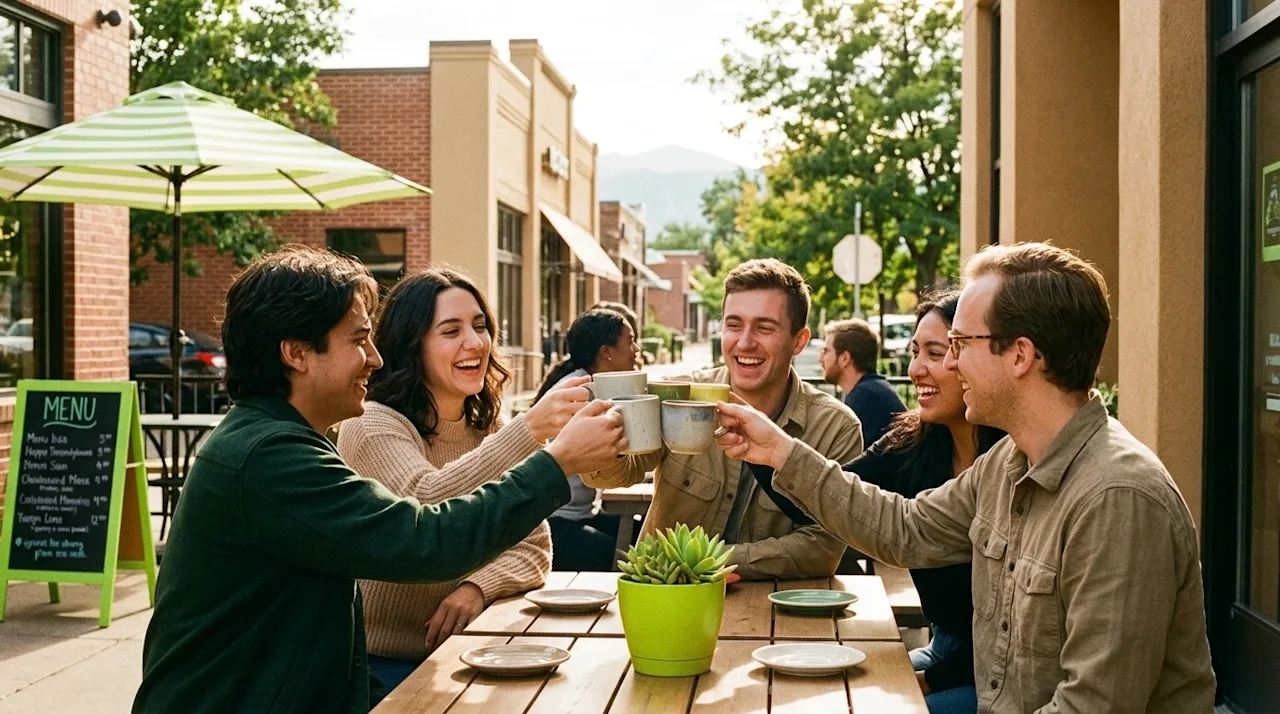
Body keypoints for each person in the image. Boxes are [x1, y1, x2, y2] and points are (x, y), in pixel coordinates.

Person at [714, 242, 1216, 713]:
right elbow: (905, 529)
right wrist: (778, 450)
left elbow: (1094, 705)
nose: (946, 363)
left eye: (959, 343)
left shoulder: (1117, 498)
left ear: (1020, 355)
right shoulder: (1010, 462)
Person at [133, 246, 627, 714]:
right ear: (297, 353)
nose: (376, 357)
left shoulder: (284, 441)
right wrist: (555, 459)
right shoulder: (270, 457)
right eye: (358, 340)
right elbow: (424, 539)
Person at [334, 268, 592, 694]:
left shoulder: (490, 426)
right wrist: (530, 430)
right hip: (380, 666)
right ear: (411, 345)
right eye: (450, 331)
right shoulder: (372, 425)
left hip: (472, 648)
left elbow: (534, 546)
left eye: (480, 326)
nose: (475, 343)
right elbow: (426, 508)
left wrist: (476, 588)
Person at [583, 258, 864, 580]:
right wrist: (602, 439)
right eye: (733, 325)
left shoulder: (835, 427)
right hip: (667, 600)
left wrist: (705, 563)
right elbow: (611, 477)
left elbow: (822, 548)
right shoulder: (680, 394)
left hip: (777, 611)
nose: (744, 342)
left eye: (764, 327)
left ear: (799, 340)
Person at [846, 291, 1004, 713]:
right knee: (838, 693)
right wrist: (760, 445)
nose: (915, 369)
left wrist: (928, 681)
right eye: (916, 352)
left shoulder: (1012, 462)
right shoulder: (915, 442)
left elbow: (1023, 641)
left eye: (937, 352)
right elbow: (838, 496)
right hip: (943, 647)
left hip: (994, 672)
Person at [535, 308, 641, 571]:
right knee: (630, 562)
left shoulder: (590, 382)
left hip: (583, 515)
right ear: (607, 351)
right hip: (555, 525)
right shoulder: (581, 392)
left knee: (648, 535)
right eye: (630, 341)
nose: (637, 349)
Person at [820, 318, 906, 444]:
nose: (821, 358)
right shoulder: (872, 389)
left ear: (844, 358)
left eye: (826, 351)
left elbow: (846, 458)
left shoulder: (865, 397)